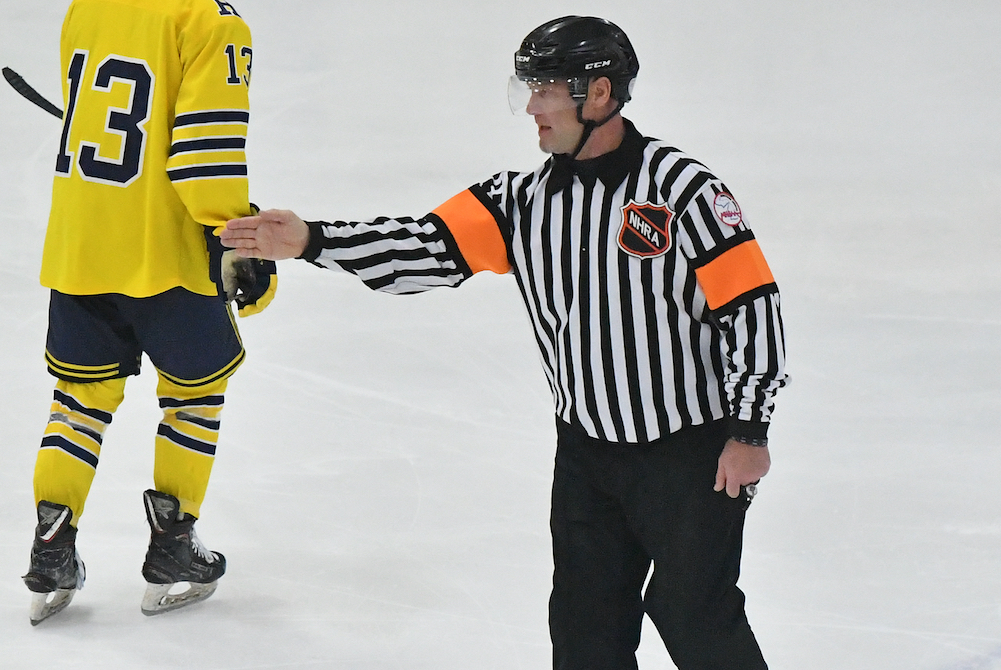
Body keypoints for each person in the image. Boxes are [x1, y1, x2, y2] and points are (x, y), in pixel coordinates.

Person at [222, 15, 785, 670]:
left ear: (597, 95)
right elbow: (423, 247)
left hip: (690, 453)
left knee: (694, 612)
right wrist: (312, 240)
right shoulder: (520, 201)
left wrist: (748, 432)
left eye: (546, 89)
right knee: (583, 626)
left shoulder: (684, 190)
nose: (531, 108)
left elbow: (750, 308)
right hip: (586, 455)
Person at [22, 0, 275, 625]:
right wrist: (238, 236)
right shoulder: (211, 21)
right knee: (196, 395)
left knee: (79, 401)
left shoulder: (86, 8)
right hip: (166, 254)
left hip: (81, 245)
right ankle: (174, 547)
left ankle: (51, 548)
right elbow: (204, 159)